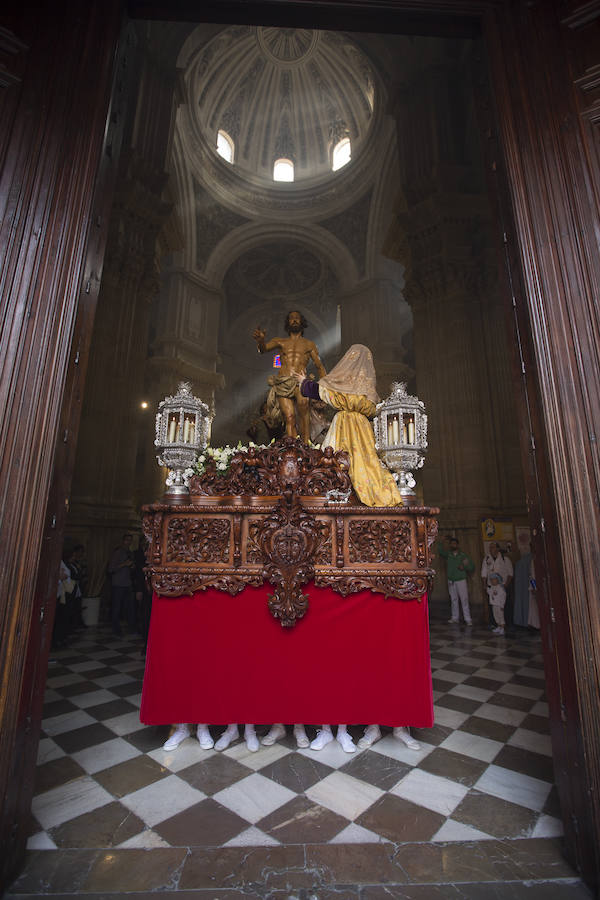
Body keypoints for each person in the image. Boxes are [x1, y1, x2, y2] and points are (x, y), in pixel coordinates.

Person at [296, 344, 402, 507]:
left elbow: (327, 394)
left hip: (345, 424)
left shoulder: (346, 386)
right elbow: (371, 408)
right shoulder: (368, 389)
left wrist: (304, 383)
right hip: (363, 427)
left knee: (339, 460)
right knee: (364, 462)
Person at [253, 310, 326, 443]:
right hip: (283, 381)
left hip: (300, 381)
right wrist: (261, 340)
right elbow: (263, 349)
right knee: (290, 417)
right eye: (291, 318)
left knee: (304, 415)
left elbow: (319, 366)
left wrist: (324, 388)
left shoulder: (309, 344)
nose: (294, 320)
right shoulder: (280, 341)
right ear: (287, 323)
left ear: (302, 322)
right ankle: (292, 450)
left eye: (297, 318)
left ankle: (305, 446)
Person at [437, 535, 474, 625]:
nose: (453, 545)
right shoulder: (448, 554)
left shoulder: (462, 556)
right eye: (451, 544)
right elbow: (440, 551)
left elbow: (471, 567)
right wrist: (441, 542)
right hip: (451, 580)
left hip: (461, 580)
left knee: (464, 599)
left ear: (457, 545)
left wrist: (464, 567)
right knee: (453, 599)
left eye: (455, 544)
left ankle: (468, 619)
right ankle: (455, 617)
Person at [107, 533, 136, 636]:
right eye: (127, 540)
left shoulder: (130, 553)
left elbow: (132, 569)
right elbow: (111, 569)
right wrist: (124, 564)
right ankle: (116, 629)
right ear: (123, 541)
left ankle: (131, 628)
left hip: (127, 583)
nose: (129, 542)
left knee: (130, 607)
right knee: (116, 607)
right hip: (118, 584)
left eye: (130, 540)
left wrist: (132, 567)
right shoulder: (118, 552)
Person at [481, 541, 514, 629]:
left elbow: (510, 574)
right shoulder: (487, 558)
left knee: (505, 606)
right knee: (493, 606)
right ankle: (494, 623)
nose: (491, 549)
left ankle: (508, 623)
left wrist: (505, 585)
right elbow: (484, 573)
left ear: (497, 548)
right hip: (491, 586)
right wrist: (484, 585)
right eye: (490, 547)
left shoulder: (505, 559)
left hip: (502, 586)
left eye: (493, 547)